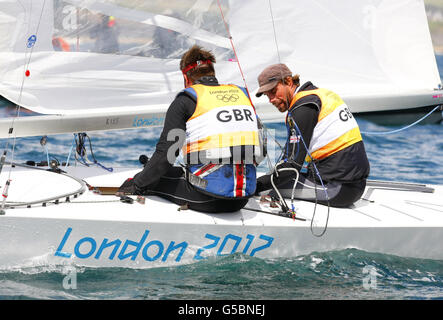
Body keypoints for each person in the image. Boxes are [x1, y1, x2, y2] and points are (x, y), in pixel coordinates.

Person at [118, 45, 263, 213]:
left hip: (209, 199)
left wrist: (136, 184)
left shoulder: (185, 100)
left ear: (186, 77)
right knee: (175, 171)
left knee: (151, 179)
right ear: (212, 72)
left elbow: (167, 154)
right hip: (243, 198)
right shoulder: (242, 94)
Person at [254, 63, 370, 208]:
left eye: (273, 91)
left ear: (288, 82)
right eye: (267, 95)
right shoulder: (320, 95)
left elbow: (292, 167)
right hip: (356, 186)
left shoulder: (303, 108)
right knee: (278, 177)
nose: (271, 99)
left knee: (268, 188)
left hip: (336, 190)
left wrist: (257, 185)